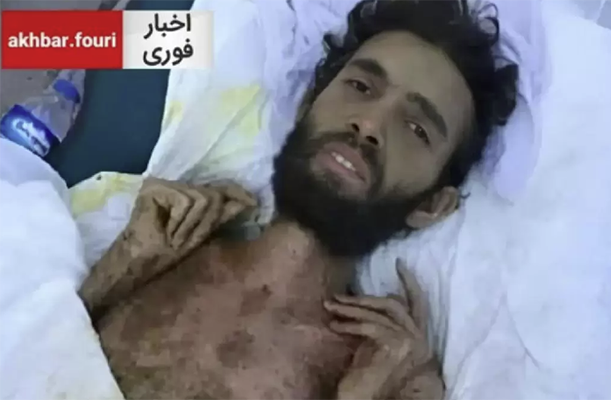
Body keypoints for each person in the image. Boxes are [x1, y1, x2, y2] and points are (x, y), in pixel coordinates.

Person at [78, 0, 518, 399]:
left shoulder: (389, 376)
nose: (368, 124)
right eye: (361, 86)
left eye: (416, 128)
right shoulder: (157, 250)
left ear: (432, 206)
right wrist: (119, 268)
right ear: (309, 103)